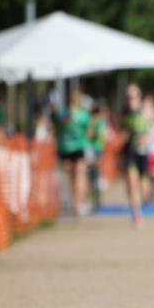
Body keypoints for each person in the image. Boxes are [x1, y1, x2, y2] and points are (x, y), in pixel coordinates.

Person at [53, 88, 91, 217]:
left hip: (65, 148)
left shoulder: (63, 113)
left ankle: (73, 201)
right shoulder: (83, 115)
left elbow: (58, 128)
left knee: (70, 177)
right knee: (80, 175)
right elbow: (89, 131)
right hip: (78, 148)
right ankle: (78, 202)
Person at [122, 83, 152, 227]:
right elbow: (122, 131)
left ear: (139, 97)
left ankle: (143, 196)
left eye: (133, 96)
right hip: (130, 151)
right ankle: (136, 214)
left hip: (144, 153)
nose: (130, 99)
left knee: (144, 188)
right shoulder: (124, 113)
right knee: (132, 183)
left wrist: (149, 138)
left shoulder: (147, 111)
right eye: (128, 96)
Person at [87, 102, 110, 211]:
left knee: (96, 175)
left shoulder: (99, 123)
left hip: (96, 151)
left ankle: (99, 199)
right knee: (93, 176)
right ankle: (96, 199)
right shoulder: (96, 122)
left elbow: (102, 136)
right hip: (93, 151)